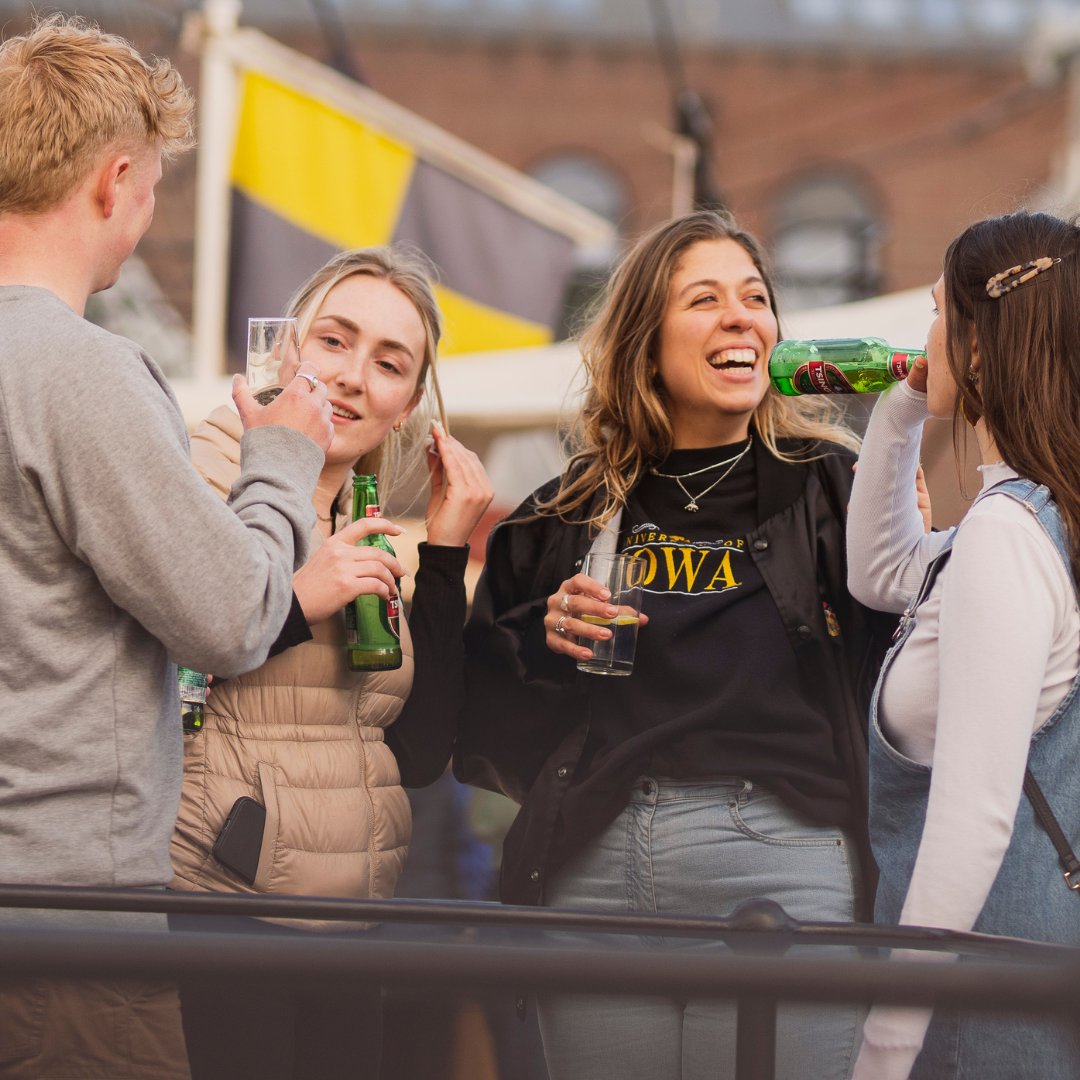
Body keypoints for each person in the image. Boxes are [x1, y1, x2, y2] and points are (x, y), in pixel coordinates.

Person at [455, 208, 896, 1080]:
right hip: (596, 859)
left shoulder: (837, 492)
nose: (742, 316)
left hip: (783, 856)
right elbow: (476, 738)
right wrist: (543, 641)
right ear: (645, 340)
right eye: (705, 299)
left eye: (756, 298)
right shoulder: (562, 515)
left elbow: (903, 681)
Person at [0, 15, 333, 1079]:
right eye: (152, 191)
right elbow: (231, 617)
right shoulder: (79, 370)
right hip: (57, 921)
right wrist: (279, 459)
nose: (147, 214)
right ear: (113, 180)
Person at [169, 245, 493, 1080]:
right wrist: (294, 599)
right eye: (335, 342)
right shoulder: (202, 468)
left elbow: (417, 756)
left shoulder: (367, 517)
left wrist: (448, 554)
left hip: (352, 923)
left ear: (409, 403)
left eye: (389, 363)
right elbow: (161, 660)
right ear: (286, 350)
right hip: (217, 909)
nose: (353, 377)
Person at [847, 210, 1080, 1080]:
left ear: (979, 346)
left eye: (939, 314)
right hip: (1020, 964)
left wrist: (884, 1047)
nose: (925, 336)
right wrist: (908, 395)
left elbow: (975, 814)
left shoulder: (1005, 536)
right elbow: (880, 571)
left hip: (982, 980)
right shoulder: (1033, 519)